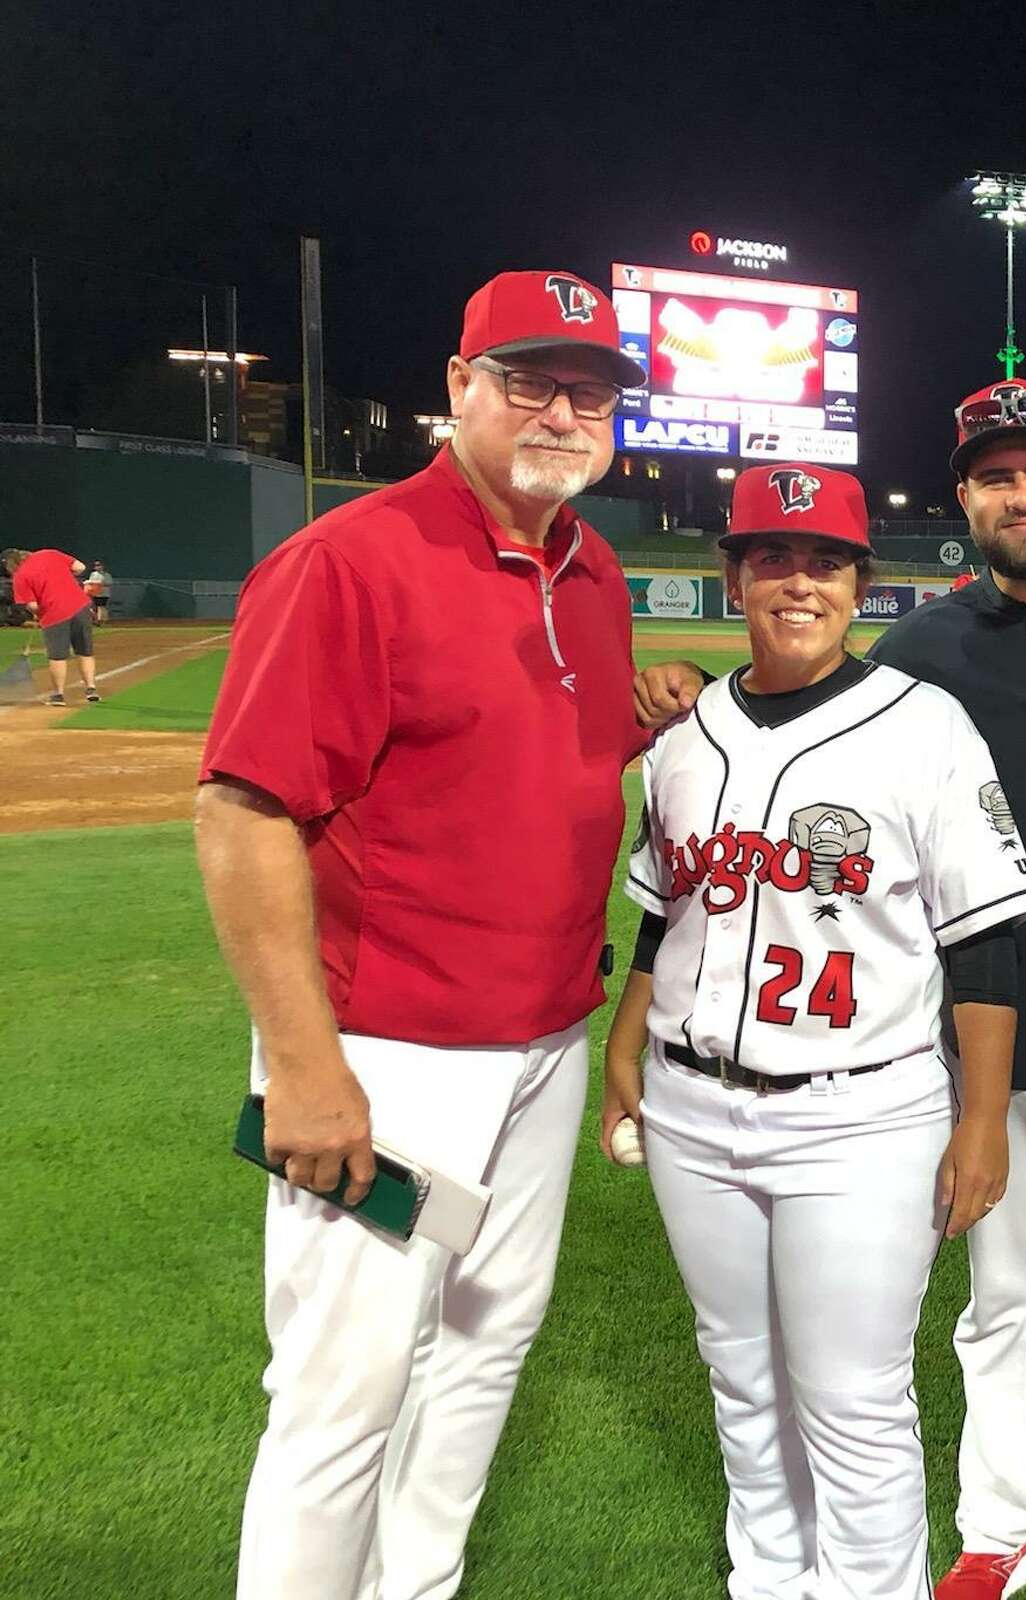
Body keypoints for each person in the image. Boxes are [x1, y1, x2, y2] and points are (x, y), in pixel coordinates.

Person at [636, 378, 1026, 1600]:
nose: (1019, 493)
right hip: (970, 1054)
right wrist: (685, 686)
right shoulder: (918, 648)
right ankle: (995, 1530)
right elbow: (799, 708)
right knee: (997, 1308)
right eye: (993, 475)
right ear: (964, 497)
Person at [195, 268, 648, 1600]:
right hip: (387, 1065)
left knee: (483, 1348)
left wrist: (645, 714)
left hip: (543, 1042)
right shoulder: (351, 560)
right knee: (344, 1394)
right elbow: (242, 813)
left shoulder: (592, 562)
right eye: (529, 381)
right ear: (460, 390)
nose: (563, 411)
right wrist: (306, 1066)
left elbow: (518, 749)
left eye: (591, 389)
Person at [601, 462, 1026, 1600]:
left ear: (861, 584)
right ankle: (768, 1578)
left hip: (863, 1111)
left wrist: (982, 1119)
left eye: (826, 562)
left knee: (851, 1398)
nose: (800, 582)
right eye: (774, 558)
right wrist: (624, 1037)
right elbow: (666, 911)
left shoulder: (924, 723)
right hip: (692, 1103)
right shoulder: (688, 734)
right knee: (740, 1379)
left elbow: (984, 942)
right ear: (734, 576)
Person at [4, 545, 99, 703]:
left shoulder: (20, 577)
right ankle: (91, 688)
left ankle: (59, 695)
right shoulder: (49, 554)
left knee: (57, 656)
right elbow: (80, 567)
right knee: (84, 651)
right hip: (80, 606)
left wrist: (37, 613)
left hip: (54, 614)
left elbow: (33, 605)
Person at [82, 558, 113, 623]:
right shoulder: (93, 574)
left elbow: (109, 583)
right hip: (94, 593)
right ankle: (97, 620)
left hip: (103, 593)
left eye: (99, 565)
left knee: (101, 606)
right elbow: (91, 582)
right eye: (96, 565)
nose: (97, 567)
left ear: (102, 566)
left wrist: (100, 584)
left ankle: (101, 620)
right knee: (94, 607)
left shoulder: (106, 575)